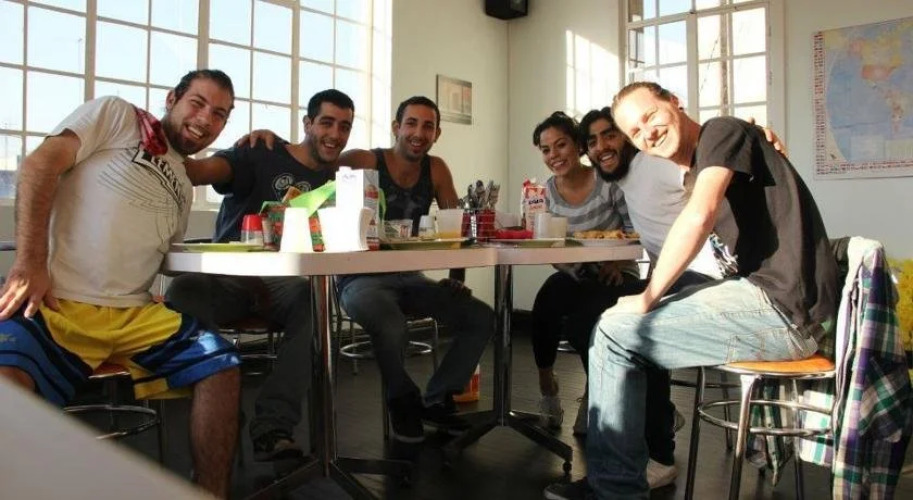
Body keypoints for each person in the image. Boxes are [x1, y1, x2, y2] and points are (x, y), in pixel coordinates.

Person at [547, 81, 839, 500]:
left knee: (613, 331)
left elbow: (699, 216)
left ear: (675, 101)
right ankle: (641, 462)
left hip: (784, 310)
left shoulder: (721, 130)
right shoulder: (697, 167)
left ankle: (615, 486)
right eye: (635, 131)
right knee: (609, 321)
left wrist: (649, 296)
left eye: (650, 116)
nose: (647, 133)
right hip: (769, 300)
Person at [0, 69, 242, 498]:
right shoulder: (117, 115)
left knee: (222, 366)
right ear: (172, 98)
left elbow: (163, 255)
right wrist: (30, 261)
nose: (207, 119)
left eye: (220, 114)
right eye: (198, 103)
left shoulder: (184, 184)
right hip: (58, 301)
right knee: (6, 379)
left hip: (135, 313)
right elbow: (40, 165)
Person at [166, 89, 355, 461]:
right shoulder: (261, 152)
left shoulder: (340, 180)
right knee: (184, 291)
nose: (335, 134)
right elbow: (200, 171)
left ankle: (273, 425)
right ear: (308, 124)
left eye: (345, 126)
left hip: (284, 284)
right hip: (228, 280)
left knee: (313, 301)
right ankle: (221, 411)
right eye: (327, 123)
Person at [335, 96, 495, 444]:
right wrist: (270, 141)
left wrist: (456, 279)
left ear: (437, 133)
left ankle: (438, 399)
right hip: (359, 279)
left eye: (428, 126)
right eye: (411, 123)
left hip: (410, 277)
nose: (419, 133)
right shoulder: (367, 160)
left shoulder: (436, 168)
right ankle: (402, 399)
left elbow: (456, 227)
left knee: (481, 317)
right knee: (391, 323)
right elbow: (314, 159)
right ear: (396, 127)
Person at [528, 112, 641, 434]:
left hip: (615, 273)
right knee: (545, 305)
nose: (554, 155)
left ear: (578, 146)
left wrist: (616, 263)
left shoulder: (607, 183)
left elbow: (635, 231)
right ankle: (548, 388)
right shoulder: (545, 193)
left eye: (561, 145)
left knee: (585, 320)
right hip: (575, 273)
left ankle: (595, 395)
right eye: (546, 149)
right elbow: (547, 243)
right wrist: (564, 262)